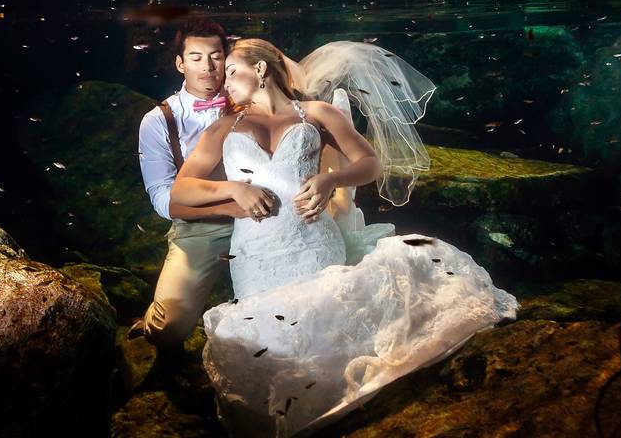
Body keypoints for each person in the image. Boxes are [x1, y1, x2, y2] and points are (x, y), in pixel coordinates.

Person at [169, 38, 520, 436]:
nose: (223, 81)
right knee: (270, 341)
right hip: (254, 253)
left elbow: (370, 163)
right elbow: (180, 191)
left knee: (326, 329)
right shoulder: (223, 127)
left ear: (262, 69)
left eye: (232, 71)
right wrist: (234, 190)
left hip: (313, 242)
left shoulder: (317, 114)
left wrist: (331, 178)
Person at [127, 19, 252, 368]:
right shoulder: (158, 120)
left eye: (215, 56)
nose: (208, 67)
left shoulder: (253, 101)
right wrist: (229, 208)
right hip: (201, 226)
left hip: (263, 216)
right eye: (196, 57)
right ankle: (153, 323)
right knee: (168, 327)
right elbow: (163, 200)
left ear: (227, 58)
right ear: (180, 64)